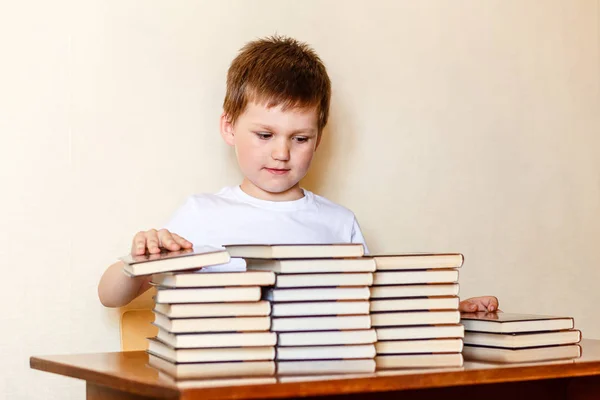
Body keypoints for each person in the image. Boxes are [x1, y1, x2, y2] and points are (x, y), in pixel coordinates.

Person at [98, 35, 499, 313]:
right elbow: (110, 296)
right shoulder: (201, 215)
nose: (281, 153)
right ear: (228, 127)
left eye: (300, 138)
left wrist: (450, 314)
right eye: (264, 134)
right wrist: (141, 260)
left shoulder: (338, 224)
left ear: (319, 138)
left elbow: (375, 309)